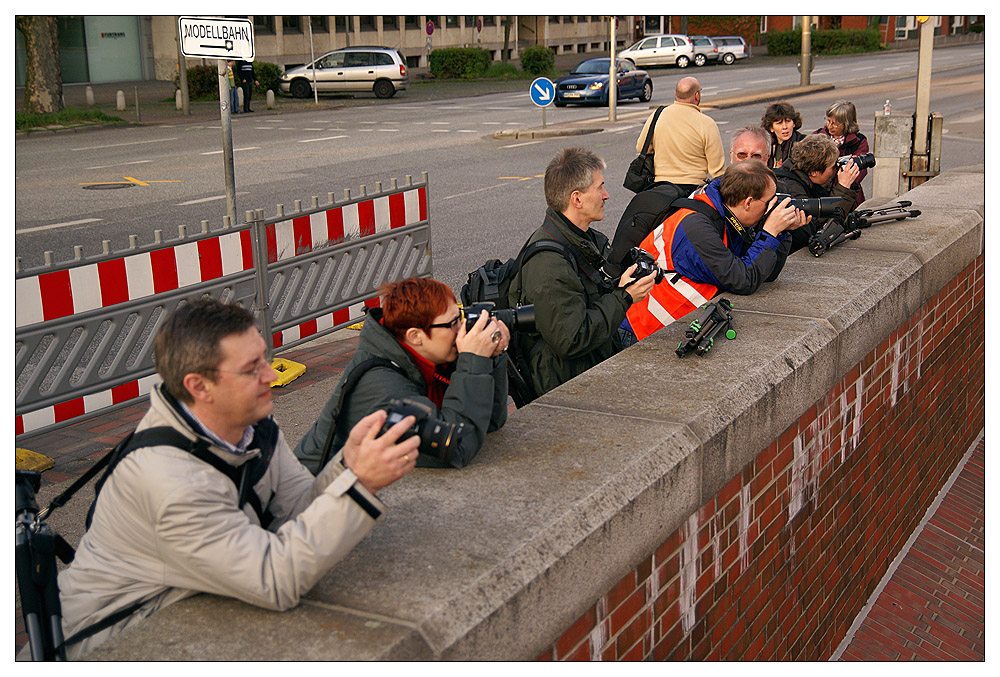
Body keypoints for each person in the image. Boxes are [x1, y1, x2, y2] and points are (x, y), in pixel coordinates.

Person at [55, 298, 419, 660]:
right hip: (112, 645)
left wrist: (349, 467)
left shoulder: (248, 425)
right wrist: (360, 487)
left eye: (264, 358)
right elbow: (276, 580)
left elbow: (297, 509)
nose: (272, 375)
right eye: (251, 369)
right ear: (199, 386)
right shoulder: (171, 483)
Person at [295, 277, 509, 473]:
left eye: (460, 318)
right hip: (310, 498)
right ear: (415, 336)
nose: (462, 329)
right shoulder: (382, 385)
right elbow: (456, 447)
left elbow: (489, 422)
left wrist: (490, 356)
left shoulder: (426, 358)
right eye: (453, 323)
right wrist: (474, 361)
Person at [509, 147, 657, 396]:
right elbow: (571, 338)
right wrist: (625, 297)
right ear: (576, 199)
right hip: (564, 386)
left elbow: (589, 298)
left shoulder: (584, 238)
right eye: (599, 188)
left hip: (587, 366)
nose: (606, 195)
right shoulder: (549, 263)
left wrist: (619, 285)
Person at [624, 161, 811, 341]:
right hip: (642, 330)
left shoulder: (725, 210)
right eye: (770, 201)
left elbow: (766, 274)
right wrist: (769, 233)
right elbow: (744, 280)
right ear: (748, 203)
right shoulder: (697, 227)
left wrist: (780, 232)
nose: (774, 206)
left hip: (674, 325)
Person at [635, 76, 726, 195]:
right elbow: (717, 170)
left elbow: (641, 148)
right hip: (693, 189)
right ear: (697, 95)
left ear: (675, 94)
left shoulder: (658, 115)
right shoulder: (706, 123)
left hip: (661, 187)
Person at [773, 134, 860, 253]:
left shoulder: (804, 178)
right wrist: (843, 188)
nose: (834, 170)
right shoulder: (790, 188)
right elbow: (816, 227)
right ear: (814, 172)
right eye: (832, 167)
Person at [813, 100, 869, 207]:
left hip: (848, 194)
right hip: (820, 190)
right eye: (828, 121)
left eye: (835, 124)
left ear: (847, 124)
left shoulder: (859, 141)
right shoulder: (817, 136)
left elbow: (860, 171)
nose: (830, 126)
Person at [761, 101, 805, 170]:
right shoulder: (767, 146)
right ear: (771, 128)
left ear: (794, 123)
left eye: (788, 121)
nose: (784, 127)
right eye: (779, 123)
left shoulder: (803, 144)